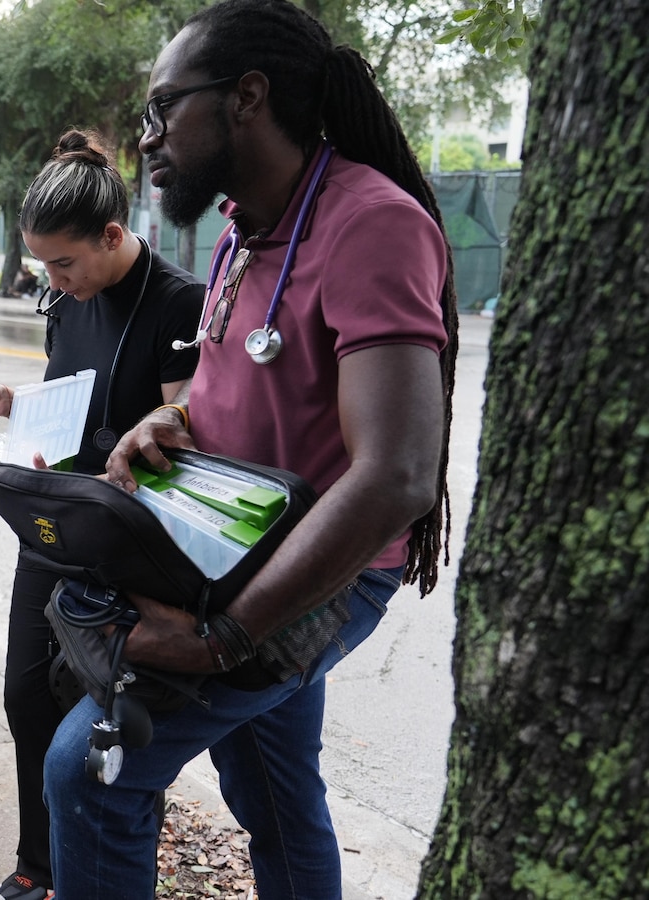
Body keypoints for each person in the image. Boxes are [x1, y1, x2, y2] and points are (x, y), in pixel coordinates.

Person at [41, 1, 459, 897]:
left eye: (163, 109)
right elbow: (250, 378)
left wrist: (225, 636)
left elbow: (396, 473)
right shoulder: (244, 227)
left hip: (317, 570)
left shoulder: (369, 224)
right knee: (271, 795)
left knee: (89, 770)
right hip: (234, 543)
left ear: (247, 98)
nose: (147, 137)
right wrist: (177, 418)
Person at [0, 129, 204, 900]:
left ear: (114, 234)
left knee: (106, 717)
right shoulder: (69, 300)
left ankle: (115, 866)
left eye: (64, 263)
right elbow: (77, 397)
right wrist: (13, 401)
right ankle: (42, 864)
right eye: (43, 268)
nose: (54, 282)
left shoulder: (178, 302)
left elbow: (182, 436)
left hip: (129, 546)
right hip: (56, 525)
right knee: (26, 694)